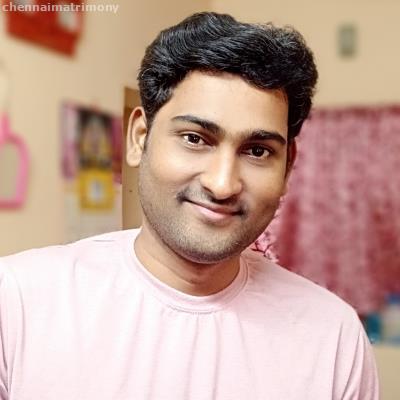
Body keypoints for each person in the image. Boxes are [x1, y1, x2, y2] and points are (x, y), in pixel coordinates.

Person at [0, 12, 379, 400]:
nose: (222, 184)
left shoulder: (332, 340)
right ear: (139, 138)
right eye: (195, 139)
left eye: (257, 151)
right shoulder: (17, 304)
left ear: (287, 167)